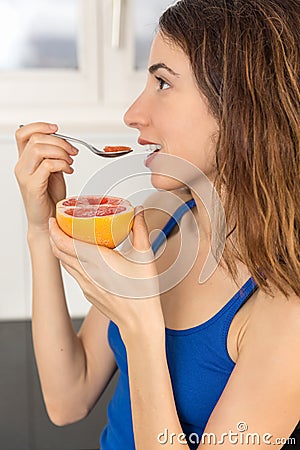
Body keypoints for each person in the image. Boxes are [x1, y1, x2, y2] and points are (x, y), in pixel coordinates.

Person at [14, 0, 300, 449]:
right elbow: (68, 397)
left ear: (241, 106)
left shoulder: (287, 314)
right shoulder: (159, 219)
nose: (132, 113)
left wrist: (141, 328)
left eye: (163, 82)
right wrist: (39, 227)